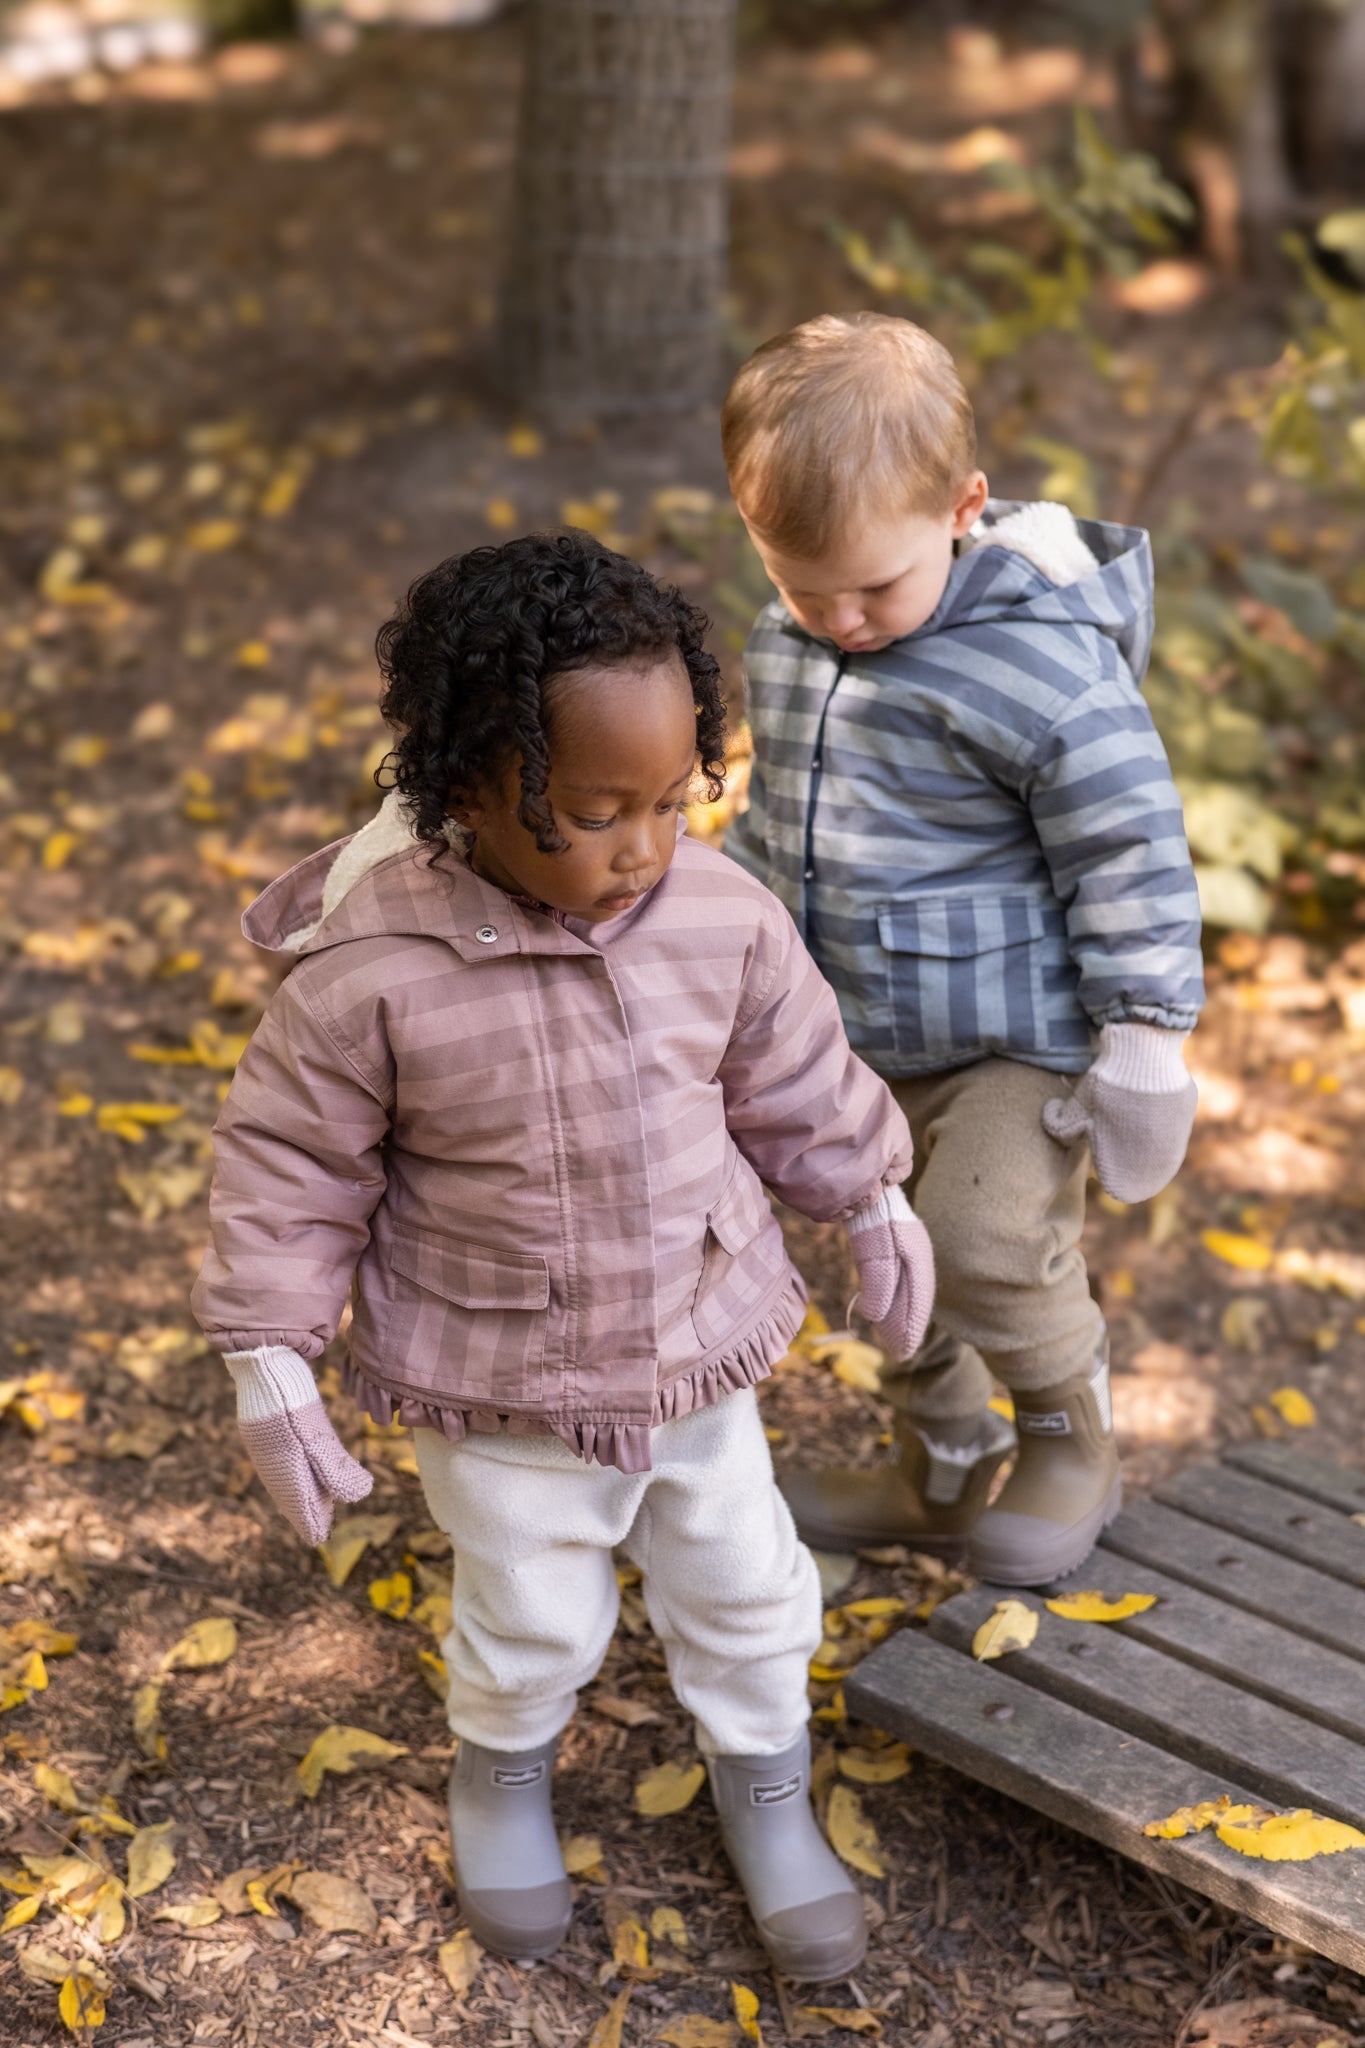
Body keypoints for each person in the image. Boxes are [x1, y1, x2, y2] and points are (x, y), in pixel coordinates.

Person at [191, 530, 934, 1980]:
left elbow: (793, 1076)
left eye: (671, 800)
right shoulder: (373, 977)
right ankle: (504, 1773)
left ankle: (766, 1781)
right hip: (499, 1374)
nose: (643, 846)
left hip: (695, 1340)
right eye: (593, 812)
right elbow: (291, 1167)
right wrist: (268, 1357)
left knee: (745, 1581)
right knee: (530, 1610)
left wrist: (870, 1198)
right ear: (462, 787)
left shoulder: (716, 918)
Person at [721, 312, 1204, 1588]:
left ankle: (1066, 1436)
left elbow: (1132, 850)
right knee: (887, 1260)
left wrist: (1146, 1037)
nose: (839, 618)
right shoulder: (795, 644)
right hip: (846, 1034)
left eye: (872, 587)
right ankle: (933, 1466)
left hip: (1011, 1041)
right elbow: (779, 827)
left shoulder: (1045, 670)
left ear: (961, 507)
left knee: (980, 1235)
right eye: (797, 582)